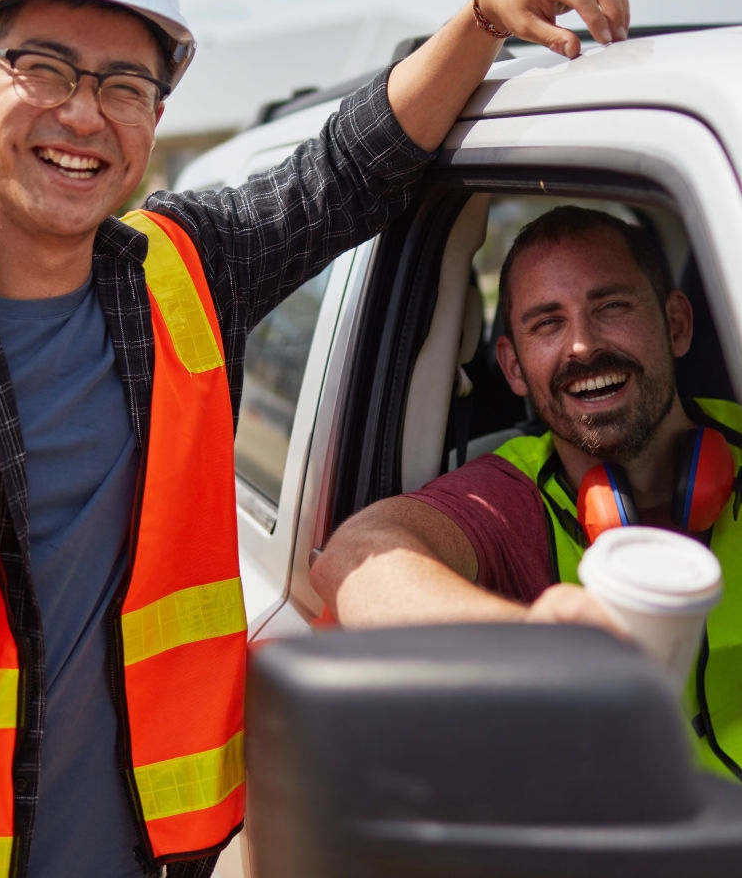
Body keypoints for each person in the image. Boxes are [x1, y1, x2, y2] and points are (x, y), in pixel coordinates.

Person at [0, 0, 630, 873]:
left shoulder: (184, 271)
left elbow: (347, 172)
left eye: (125, 84)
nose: (84, 114)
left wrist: (484, 13)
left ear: (155, 115)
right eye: (45, 68)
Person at [310, 204, 742, 782]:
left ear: (677, 324)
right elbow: (356, 557)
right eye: (547, 323)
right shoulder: (508, 494)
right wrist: (528, 644)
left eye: (611, 307)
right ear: (513, 368)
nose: (583, 346)